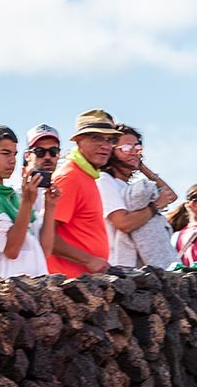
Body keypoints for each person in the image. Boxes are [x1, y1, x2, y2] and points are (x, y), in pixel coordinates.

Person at [0, 124, 60, 277]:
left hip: (33, 286)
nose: (12, 161)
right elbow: (11, 250)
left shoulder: (13, 195)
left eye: (14, 154)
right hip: (5, 288)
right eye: (5, 153)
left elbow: (44, 250)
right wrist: (27, 203)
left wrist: (50, 206)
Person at [46, 109, 119, 277]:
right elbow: (47, 236)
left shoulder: (86, 176)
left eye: (110, 139)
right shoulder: (70, 177)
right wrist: (88, 260)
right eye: (96, 138)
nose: (105, 145)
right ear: (78, 141)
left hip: (85, 283)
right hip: (68, 284)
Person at [97, 124, 178, 268]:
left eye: (137, 147)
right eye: (126, 148)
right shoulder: (105, 181)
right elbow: (124, 223)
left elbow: (170, 196)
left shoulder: (127, 187)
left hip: (137, 266)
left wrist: (142, 167)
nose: (133, 152)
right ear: (112, 151)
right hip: (119, 266)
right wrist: (155, 206)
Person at [23, 123, 62, 220]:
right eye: (40, 151)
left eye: (53, 151)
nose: (47, 157)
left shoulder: (65, 188)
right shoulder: (17, 195)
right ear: (27, 156)